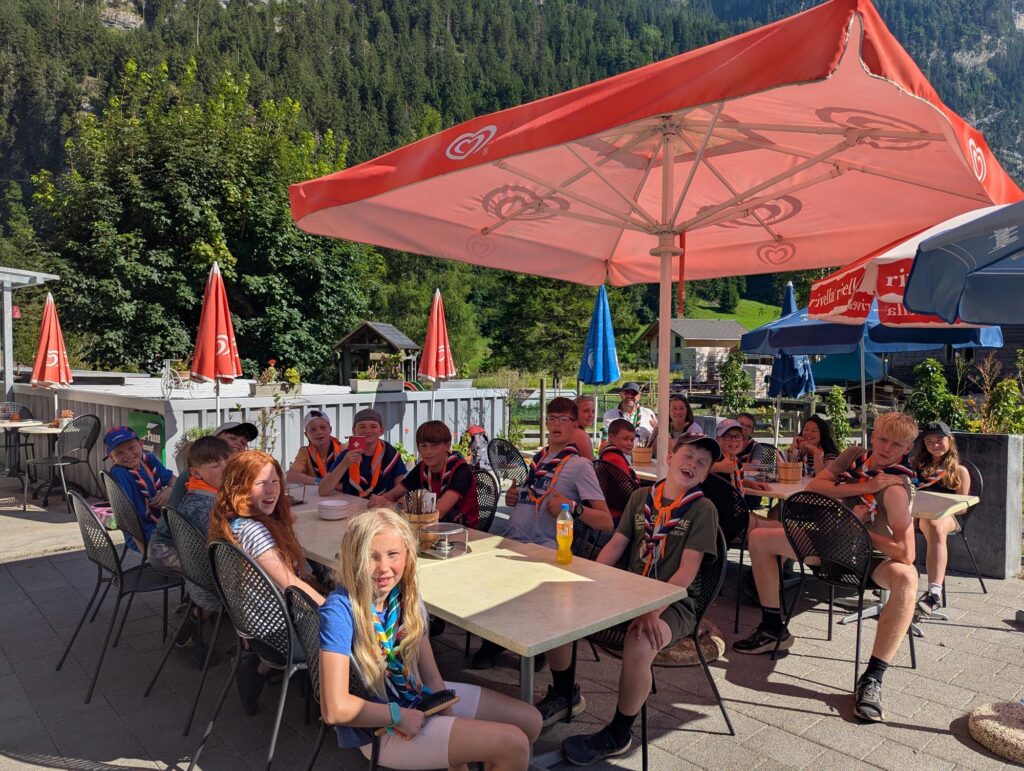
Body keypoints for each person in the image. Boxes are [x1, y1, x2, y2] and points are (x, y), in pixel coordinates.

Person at [538, 435, 722, 765]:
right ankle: (565, 694)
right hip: (629, 590)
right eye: (688, 455)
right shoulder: (641, 498)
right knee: (560, 606)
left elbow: (687, 572)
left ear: (706, 474)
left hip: (675, 603)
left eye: (702, 463)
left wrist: (653, 609)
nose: (692, 464)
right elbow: (616, 544)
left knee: (640, 641)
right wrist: (588, 580)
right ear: (670, 458)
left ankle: (619, 733)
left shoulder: (702, 509)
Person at [318, 508, 541, 770]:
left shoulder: (404, 596)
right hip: (380, 730)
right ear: (353, 558)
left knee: (531, 721)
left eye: (393, 554)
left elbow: (432, 677)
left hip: (416, 698)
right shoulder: (340, 610)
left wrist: (453, 737)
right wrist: (397, 716)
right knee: (513, 745)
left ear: (407, 555)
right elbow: (334, 709)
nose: (384, 567)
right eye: (371, 556)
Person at [734, 412, 920, 724]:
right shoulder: (855, 456)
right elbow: (817, 487)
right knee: (760, 539)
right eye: (883, 439)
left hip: (871, 559)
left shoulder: (896, 488)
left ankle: (873, 677)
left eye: (896, 445)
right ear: (873, 436)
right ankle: (772, 626)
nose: (886, 448)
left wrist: (859, 529)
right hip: (830, 545)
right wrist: (864, 486)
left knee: (907, 577)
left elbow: (906, 552)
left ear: (907, 449)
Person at [474, 397, 612, 670]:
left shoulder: (579, 466)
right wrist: (514, 498)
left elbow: (606, 522)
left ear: (575, 425)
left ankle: (525, 644)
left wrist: (572, 507)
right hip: (513, 543)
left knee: (512, 583)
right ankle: (497, 637)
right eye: (552, 419)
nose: (556, 425)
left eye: (563, 419)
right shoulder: (537, 462)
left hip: (544, 551)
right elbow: (530, 500)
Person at [207, 449, 325, 714]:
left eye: (275, 481)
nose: (271, 490)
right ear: (238, 488)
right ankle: (340, 702)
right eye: (260, 483)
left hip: (254, 625)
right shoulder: (255, 531)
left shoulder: (232, 522)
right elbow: (291, 585)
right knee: (354, 617)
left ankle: (259, 668)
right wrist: (334, 612)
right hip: (279, 633)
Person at [148, 436, 232, 657]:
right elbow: (221, 548)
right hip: (169, 552)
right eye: (216, 465)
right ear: (196, 473)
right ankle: (251, 646)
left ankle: (193, 624)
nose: (226, 469)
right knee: (233, 580)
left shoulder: (202, 491)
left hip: (187, 551)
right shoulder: (202, 505)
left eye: (229, 462)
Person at [368, 420, 480, 529]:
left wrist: (393, 506)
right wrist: (380, 500)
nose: (428, 451)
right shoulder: (423, 467)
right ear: (418, 448)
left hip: (464, 531)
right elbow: (393, 494)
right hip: (430, 527)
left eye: (434, 445)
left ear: (447, 445)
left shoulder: (461, 470)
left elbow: (438, 512)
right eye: (423, 446)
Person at [910, 421, 971, 617]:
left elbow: (963, 507)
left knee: (933, 524)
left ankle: (934, 594)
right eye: (929, 441)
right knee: (895, 519)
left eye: (939, 440)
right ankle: (892, 579)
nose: (935, 445)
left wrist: (940, 507)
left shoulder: (959, 471)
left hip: (946, 517)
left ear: (949, 440)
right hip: (916, 513)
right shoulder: (915, 466)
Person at [104, 426, 175, 552]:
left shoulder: (150, 461)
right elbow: (125, 516)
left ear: (141, 444)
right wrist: (145, 552)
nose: (128, 454)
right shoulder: (119, 474)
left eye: (131, 448)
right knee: (189, 540)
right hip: (142, 532)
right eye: (119, 453)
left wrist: (170, 490)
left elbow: (174, 480)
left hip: (163, 522)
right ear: (111, 457)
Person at [317, 409, 407, 499]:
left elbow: (402, 490)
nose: (368, 430)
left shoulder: (391, 455)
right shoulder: (347, 455)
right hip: (353, 505)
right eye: (362, 427)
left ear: (381, 431)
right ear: (354, 430)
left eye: (373, 426)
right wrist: (344, 464)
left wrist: (389, 502)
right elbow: (323, 491)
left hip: (384, 504)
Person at [167, 421, 258, 510]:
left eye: (243, 443)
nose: (238, 443)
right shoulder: (192, 474)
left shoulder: (242, 475)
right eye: (232, 438)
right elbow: (173, 508)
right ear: (215, 439)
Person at [712, 418, 770, 494]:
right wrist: (719, 467)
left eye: (738, 436)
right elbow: (700, 469)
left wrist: (751, 484)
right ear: (717, 439)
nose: (734, 440)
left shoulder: (736, 461)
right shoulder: (714, 457)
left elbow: (738, 479)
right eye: (728, 436)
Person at [287, 410, 343, 485]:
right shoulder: (305, 452)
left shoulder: (342, 449)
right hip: (317, 491)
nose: (319, 432)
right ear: (306, 435)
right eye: (313, 430)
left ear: (330, 430)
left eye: (323, 427)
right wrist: (319, 481)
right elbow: (291, 475)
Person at [601, 382, 656, 448]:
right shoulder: (609, 415)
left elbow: (657, 438)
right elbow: (605, 442)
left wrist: (657, 428)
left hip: (643, 453)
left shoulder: (648, 414)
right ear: (621, 394)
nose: (630, 396)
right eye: (626, 393)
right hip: (618, 453)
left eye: (634, 393)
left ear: (639, 397)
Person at [598, 419, 639, 485]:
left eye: (632, 440)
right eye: (625, 439)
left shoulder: (607, 453)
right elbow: (628, 484)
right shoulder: (615, 459)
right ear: (611, 438)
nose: (630, 443)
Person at [572, 394, 597, 459]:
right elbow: (590, 463)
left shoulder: (568, 430)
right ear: (574, 413)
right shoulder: (580, 435)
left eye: (593, 411)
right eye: (586, 411)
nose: (591, 415)